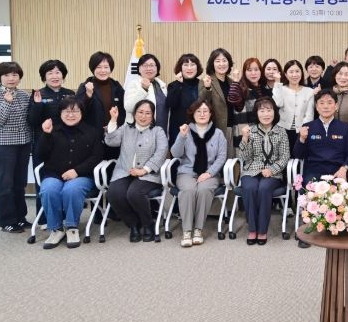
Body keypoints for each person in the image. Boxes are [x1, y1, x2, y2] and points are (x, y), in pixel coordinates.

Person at [37, 96, 103, 249]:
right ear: (60, 113)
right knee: (48, 190)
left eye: (75, 111)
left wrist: (77, 171)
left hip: (82, 175)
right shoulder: (52, 130)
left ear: (82, 113)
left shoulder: (92, 132)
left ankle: (72, 227)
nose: (70, 115)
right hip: (54, 174)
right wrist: (46, 135)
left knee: (71, 189)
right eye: (66, 111)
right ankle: (56, 229)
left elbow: (97, 157)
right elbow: (41, 155)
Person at [293, 89, 348, 247]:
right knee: (308, 187)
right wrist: (301, 139)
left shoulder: (344, 128)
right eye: (321, 103)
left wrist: (344, 168)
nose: (326, 106)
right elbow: (297, 154)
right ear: (316, 107)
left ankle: (337, 227)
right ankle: (307, 229)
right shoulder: (308, 127)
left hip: (337, 170)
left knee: (342, 190)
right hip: (314, 169)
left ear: (336, 106)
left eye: (329, 103)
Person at [105, 100, 168, 243]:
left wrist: (145, 170)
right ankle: (133, 224)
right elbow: (111, 142)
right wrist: (113, 120)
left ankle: (148, 224)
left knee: (134, 193)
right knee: (114, 193)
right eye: (140, 112)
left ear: (153, 116)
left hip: (149, 175)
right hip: (124, 172)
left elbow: (162, 152)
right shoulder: (125, 128)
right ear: (134, 114)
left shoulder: (158, 131)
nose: (143, 116)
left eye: (148, 113)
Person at [171, 99, 228, 247]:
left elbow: (221, 157)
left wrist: (209, 173)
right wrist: (182, 136)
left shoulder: (218, 134)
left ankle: (198, 229)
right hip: (187, 172)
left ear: (210, 114)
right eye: (198, 111)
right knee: (188, 190)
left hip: (210, 173)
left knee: (203, 190)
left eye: (205, 111)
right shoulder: (186, 131)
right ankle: (187, 230)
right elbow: (175, 153)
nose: (202, 114)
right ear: (193, 114)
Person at [0, 62, 32, 233]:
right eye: (6, 75)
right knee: (6, 184)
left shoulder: (24, 96)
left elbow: (29, 121)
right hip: (5, 146)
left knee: (20, 183)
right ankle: (6, 221)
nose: (11, 78)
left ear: (19, 77)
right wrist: (6, 103)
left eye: (14, 75)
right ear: (0, 78)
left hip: (24, 144)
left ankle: (20, 218)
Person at [237, 97, 290, 245]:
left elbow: (285, 156)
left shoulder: (281, 132)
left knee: (264, 188)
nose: (266, 114)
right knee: (249, 187)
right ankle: (252, 229)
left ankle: (262, 230)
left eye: (269, 110)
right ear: (256, 113)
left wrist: (272, 170)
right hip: (251, 171)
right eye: (262, 111)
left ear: (274, 112)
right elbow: (244, 158)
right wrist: (245, 138)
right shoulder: (251, 130)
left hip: (273, 173)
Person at [27, 59, 75, 225]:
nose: (54, 76)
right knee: (43, 182)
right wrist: (37, 105)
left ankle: (65, 218)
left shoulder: (70, 94)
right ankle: (44, 219)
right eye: (50, 73)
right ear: (44, 77)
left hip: (66, 145)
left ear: (63, 75)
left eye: (58, 72)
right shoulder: (38, 94)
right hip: (43, 144)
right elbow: (32, 121)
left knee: (65, 180)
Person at [76, 51, 126, 159]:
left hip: (114, 135)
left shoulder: (116, 86)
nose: (103, 71)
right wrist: (88, 95)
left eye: (106, 67)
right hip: (92, 137)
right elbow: (78, 110)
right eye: (99, 67)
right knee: (95, 164)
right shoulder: (85, 86)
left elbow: (124, 109)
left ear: (110, 69)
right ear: (93, 68)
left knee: (113, 163)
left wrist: (115, 126)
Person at [199, 48, 236, 158]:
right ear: (212, 63)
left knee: (232, 161)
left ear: (229, 63)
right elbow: (200, 103)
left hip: (232, 128)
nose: (221, 64)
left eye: (224, 60)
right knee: (217, 161)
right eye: (217, 61)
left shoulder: (232, 82)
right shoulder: (206, 81)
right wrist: (207, 88)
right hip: (216, 129)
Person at [228, 58, 273, 147]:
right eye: (249, 70)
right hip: (246, 135)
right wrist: (235, 81)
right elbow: (233, 100)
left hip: (265, 136)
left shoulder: (265, 89)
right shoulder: (241, 88)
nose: (253, 73)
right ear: (244, 72)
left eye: (256, 70)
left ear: (261, 71)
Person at [272, 59, 314, 149]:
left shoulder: (309, 91)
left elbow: (309, 115)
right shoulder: (280, 88)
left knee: (299, 155)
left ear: (301, 73)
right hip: (282, 129)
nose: (294, 75)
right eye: (291, 72)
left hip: (302, 131)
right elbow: (278, 103)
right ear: (285, 74)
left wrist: (303, 130)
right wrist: (277, 82)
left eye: (297, 71)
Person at [166, 53, 203, 146]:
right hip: (178, 131)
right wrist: (179, 84)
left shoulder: (203, 85)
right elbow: (170, 104)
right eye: (186, 65)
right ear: (180, 68)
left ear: (197, 67)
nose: (189, 68)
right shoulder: (173, 85)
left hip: (199, 130)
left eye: (192, 65)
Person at [124, 53, 168, 129]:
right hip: (140, 131)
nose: (148, 68)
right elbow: (129, 107)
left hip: (161, 130)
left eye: (151, 65)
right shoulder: (133, 84)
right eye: (145, 65)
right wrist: (143, 89)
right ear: (139, 69)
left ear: (157, 68)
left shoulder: (162, 85)